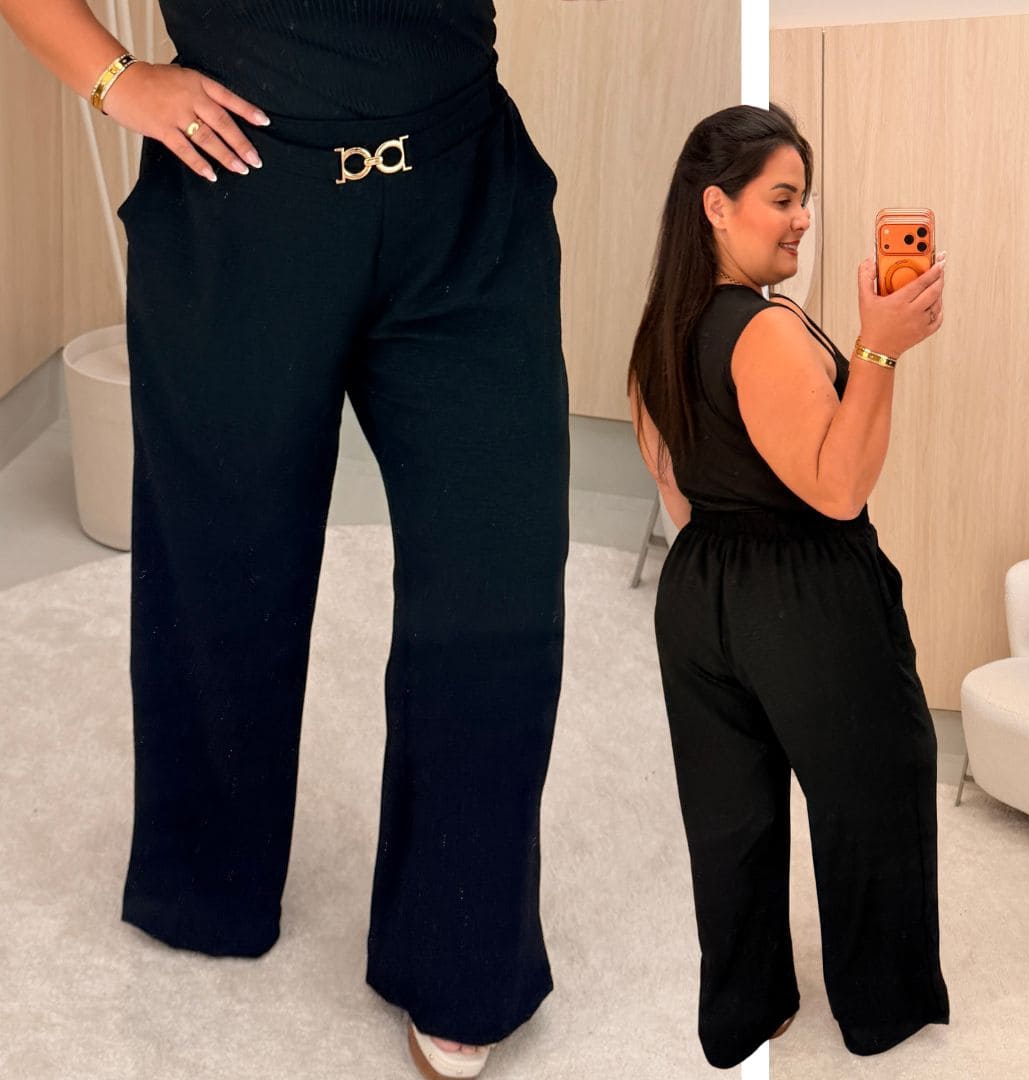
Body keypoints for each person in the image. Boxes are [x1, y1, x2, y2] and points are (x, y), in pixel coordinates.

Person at [0, 2, 599, 1076]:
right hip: (241, 201)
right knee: (222, 570)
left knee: (498, 581)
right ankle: (207, 880)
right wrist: (118, 81)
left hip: (465, 194)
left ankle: (461, 954)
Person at [627, 103, 951, 1069]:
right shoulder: (764, 329)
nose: (803, 217)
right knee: (876, 790)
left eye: (804, 197)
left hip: (699, 591)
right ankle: (882, 1011)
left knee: (730, 816)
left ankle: (748, 1009)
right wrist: (879, 348)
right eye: (782, 197)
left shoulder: (658, 334)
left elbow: (676, 495)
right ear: (715, 206)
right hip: (808, 593)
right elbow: (838, 489)